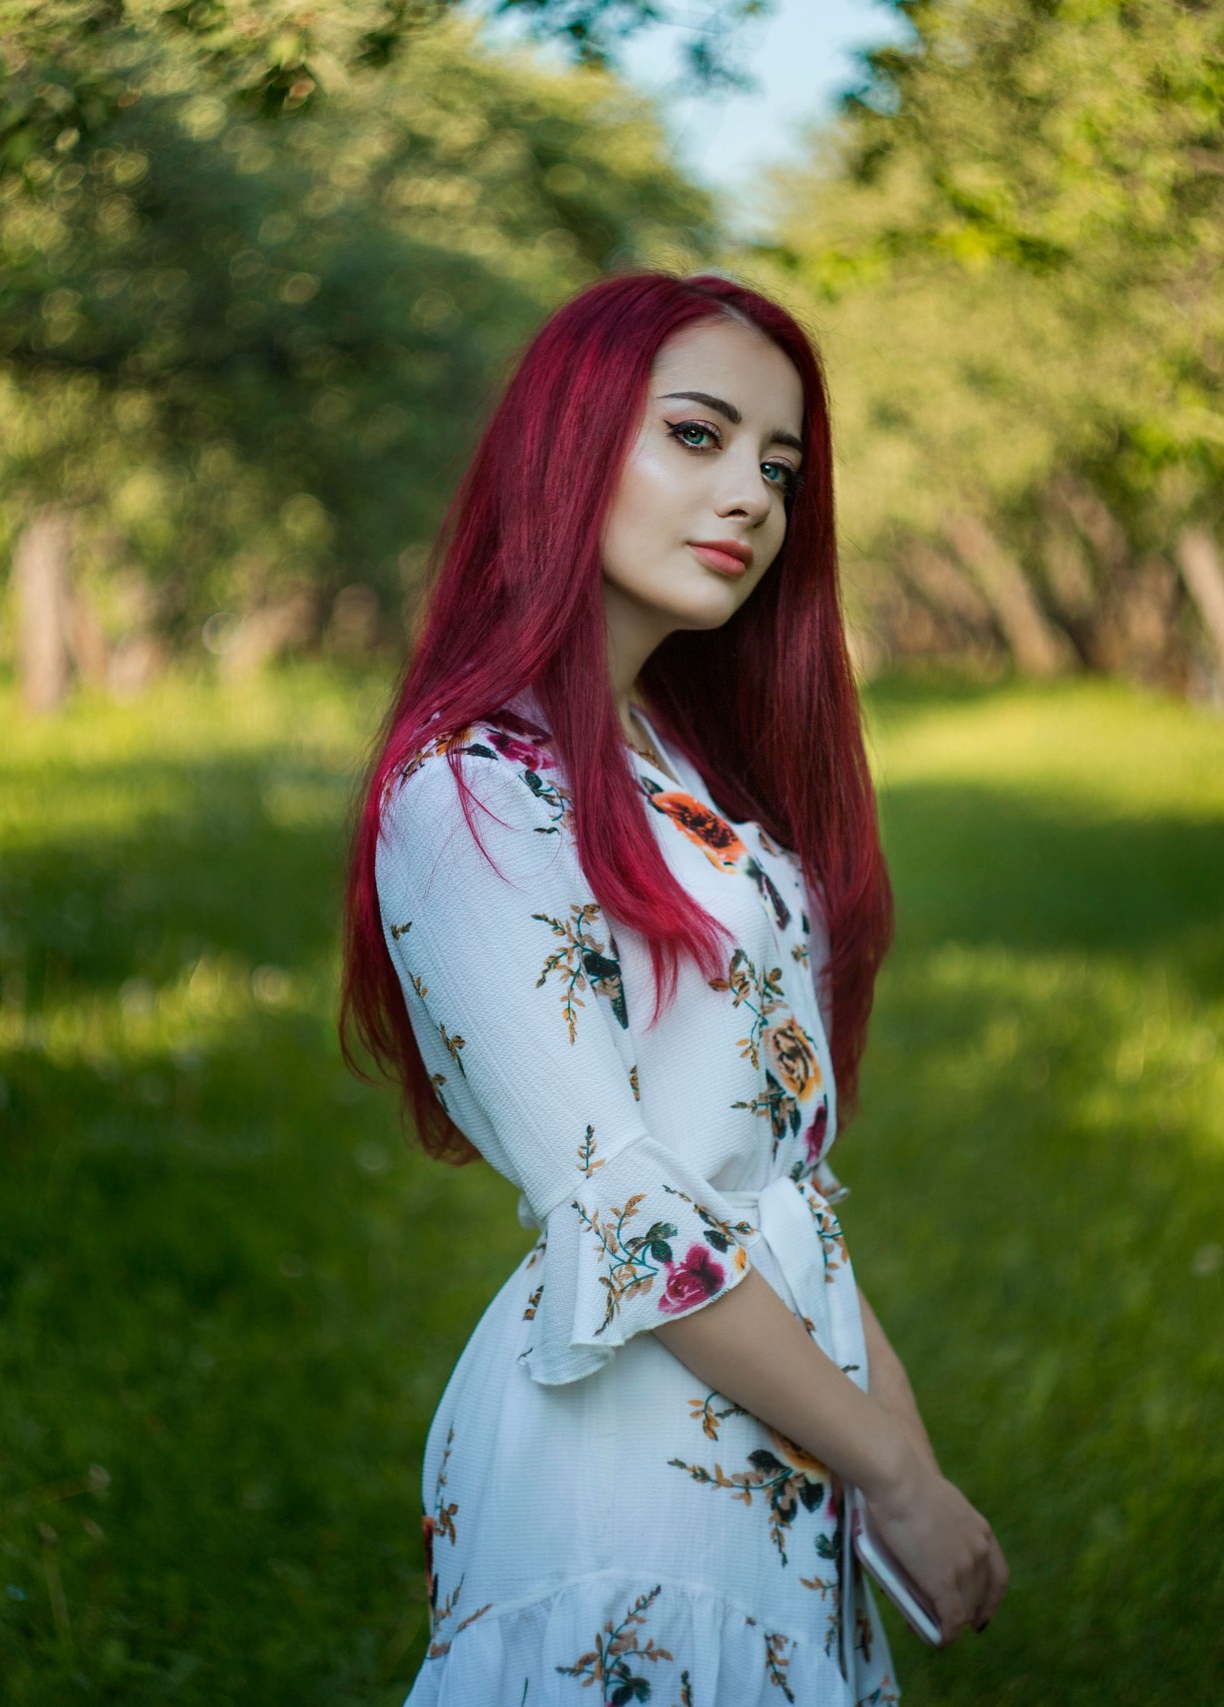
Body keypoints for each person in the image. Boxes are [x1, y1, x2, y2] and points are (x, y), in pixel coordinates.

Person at [339, 271, 1007, 1704]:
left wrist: (902, 1452)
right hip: (624, 1479)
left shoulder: (678, 773)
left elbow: (772, 1185)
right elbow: (628, 1208)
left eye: (779, 465)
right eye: (697, 437)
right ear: (568, 450)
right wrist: (889, 1470)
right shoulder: (465, 792)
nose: (755, 498)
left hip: (777, 1435)